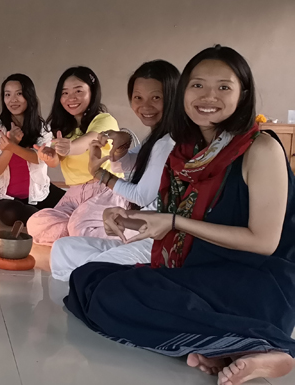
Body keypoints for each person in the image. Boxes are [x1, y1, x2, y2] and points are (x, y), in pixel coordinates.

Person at [65, 46, 295, 385]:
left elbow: (263, 242)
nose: (208, 97)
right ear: (184, 92)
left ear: (243, 94)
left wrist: (174, 222)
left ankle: (268, 345)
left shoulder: (260, 148)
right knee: (87, 279)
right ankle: (222, 345)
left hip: (256, 282)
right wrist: (125, 218)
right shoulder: (188, 151)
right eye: (198, 85)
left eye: (223, 87)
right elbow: (169, 218)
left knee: (116, 295)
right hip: (200, 270)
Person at [50, 60, 180, 280]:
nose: (145, 106)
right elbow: (130, 162)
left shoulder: (168, 141)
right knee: (62, 248)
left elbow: (141, 196)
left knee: (90, 267)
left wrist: (102, 175)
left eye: (156, 97)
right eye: (138, 98)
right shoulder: (157, 135)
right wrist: (121, 145)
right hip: (138, 223)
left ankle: (111, 277)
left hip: (157, 237)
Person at [25, 66, 128, 245]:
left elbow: (90, 139)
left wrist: (70, 147)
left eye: (78, 91)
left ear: (92, 92)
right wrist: (48, 156)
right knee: (36, 224)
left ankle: (106, 233)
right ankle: (86, 233)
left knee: (78, 225)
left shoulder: (104, 119)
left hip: (105, 191)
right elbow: (55, 161)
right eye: (65, 93)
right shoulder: (64, 129)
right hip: (74, 195)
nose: (71, 98)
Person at [0, 73, 65, 226]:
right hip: (7, 198)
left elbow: (37, 158)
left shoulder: (41, 127)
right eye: (7, 95)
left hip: (38, 192)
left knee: (73, 204)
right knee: (13, 214)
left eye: (19, 93)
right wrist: (10, 146)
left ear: (29, 96)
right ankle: (41, 218)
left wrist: (12, 146)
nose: (13, 100)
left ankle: (42, 217)